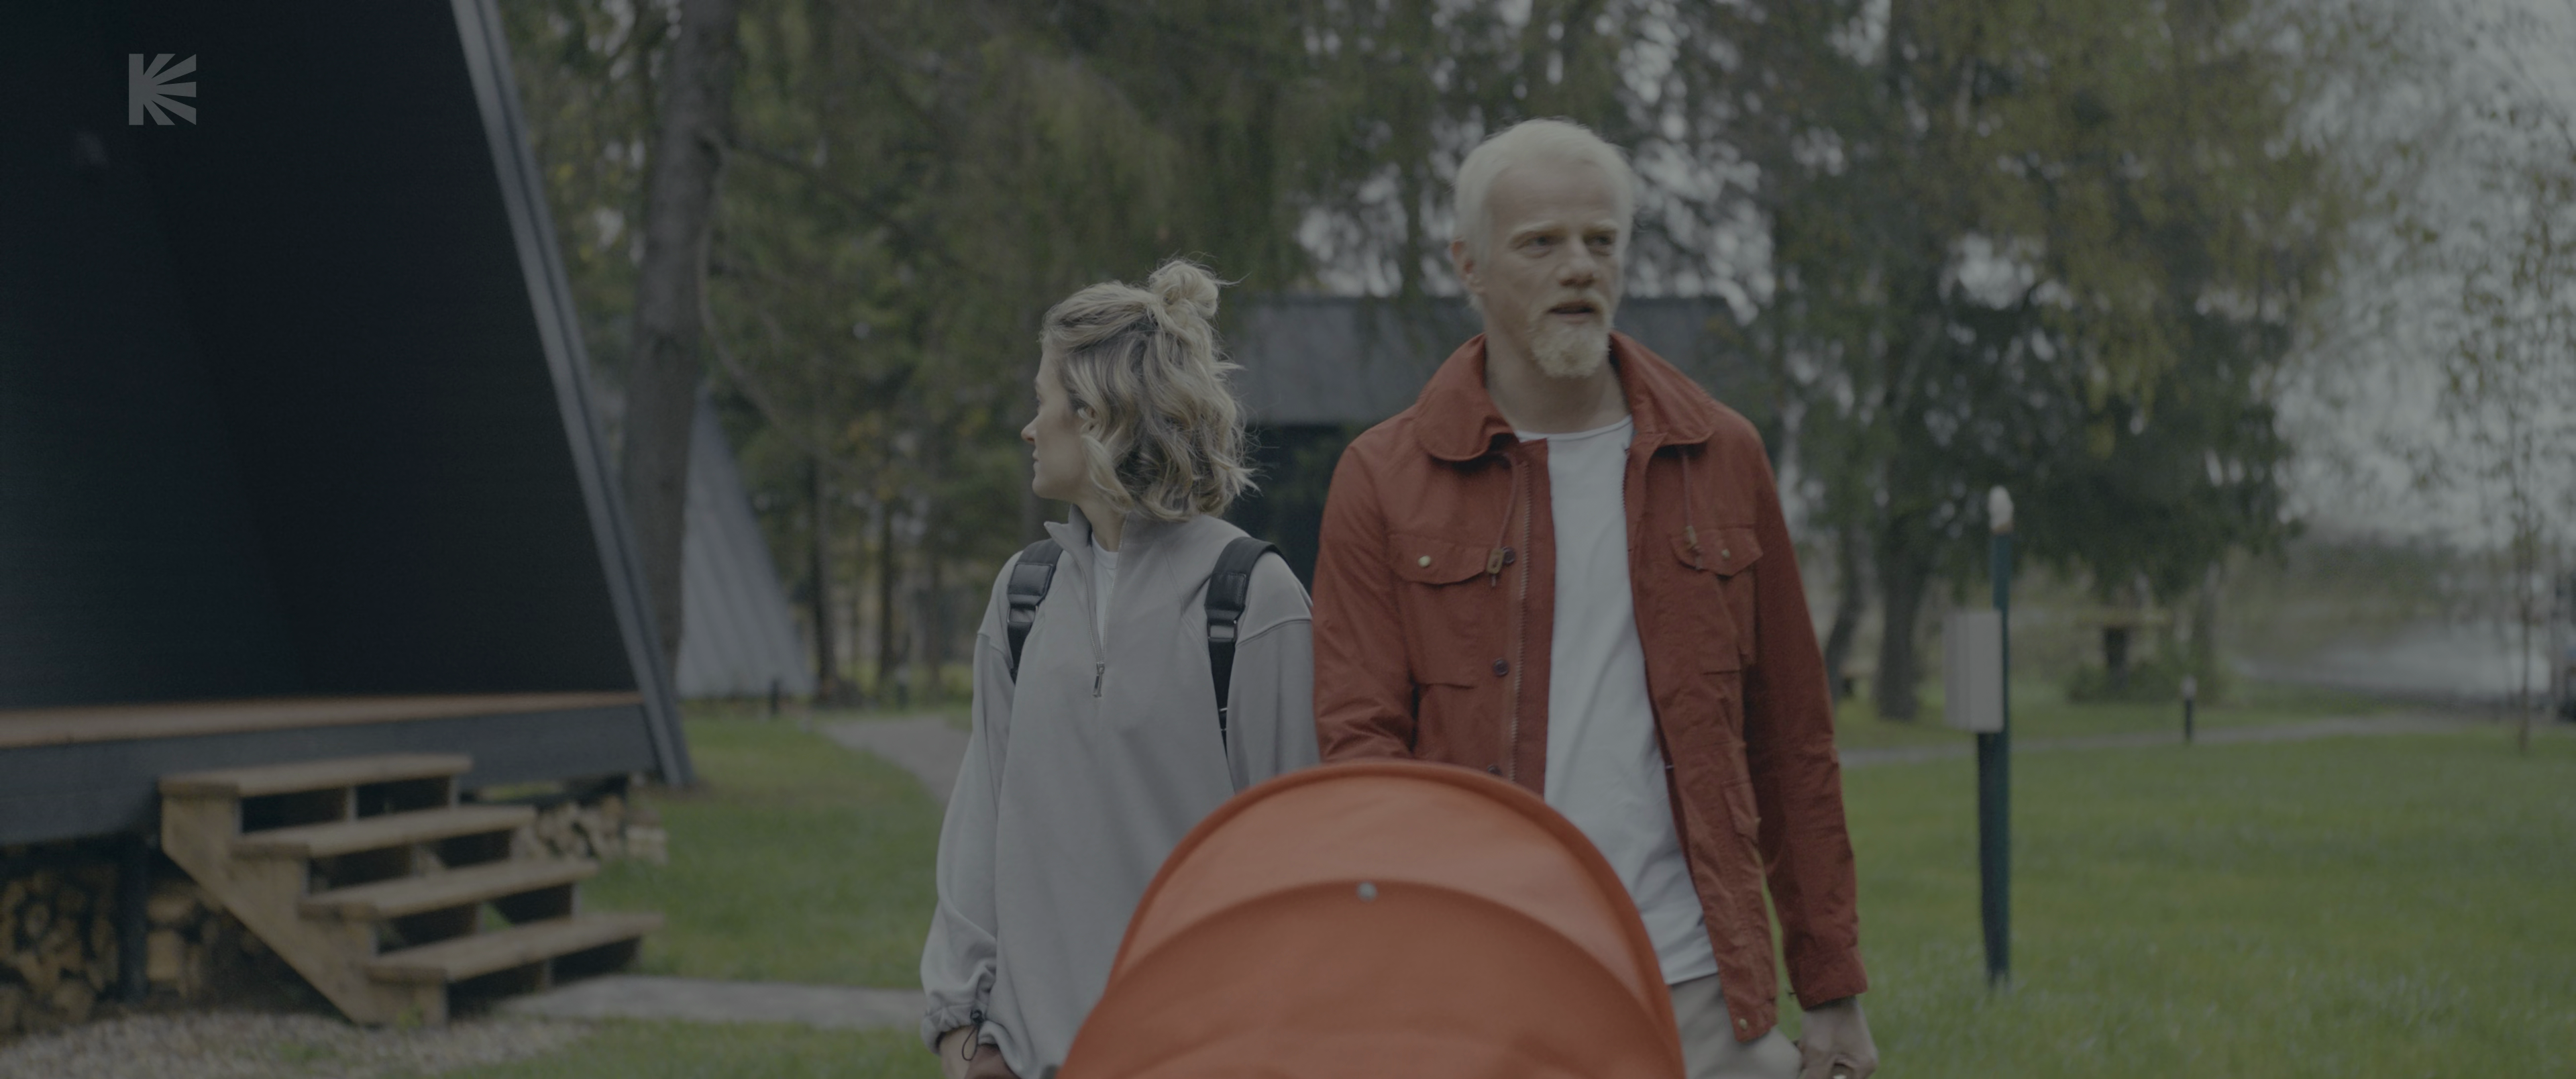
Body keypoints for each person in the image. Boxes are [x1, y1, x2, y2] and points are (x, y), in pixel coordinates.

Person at [1309, 119, 1881, 1079]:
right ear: (1469, 265)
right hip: (1484, 980)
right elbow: (1362, 753)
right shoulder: (1383, 477)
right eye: (1541, 243)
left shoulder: (1722, 455)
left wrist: (1831, 990)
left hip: (1694, 981)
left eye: (1600, 241)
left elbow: (1792, 740)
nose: (1579, 266)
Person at [920, 259, 1318, 1079]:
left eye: (1042, 401)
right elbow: (977, 828)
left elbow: (1297, 869)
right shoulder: (1024, 596)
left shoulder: (1253, 599)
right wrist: (963, 1034)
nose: (1029, 429)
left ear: (1095, 413)